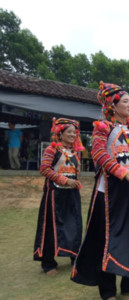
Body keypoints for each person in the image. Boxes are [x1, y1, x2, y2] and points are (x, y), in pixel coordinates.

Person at [71, 82, 129, 300]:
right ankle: (107, 292)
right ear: (113, 105)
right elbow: (99, 155)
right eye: (126, 102)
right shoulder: (103, 128)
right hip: (108, 195)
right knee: (106, 241)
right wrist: (124, 173)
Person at [33, 118, 84, 276]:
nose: (72, 135)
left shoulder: (75, 153)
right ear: (60, 133)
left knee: (75, 226)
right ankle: (48, 263)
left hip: (72, 194)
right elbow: (44, 169)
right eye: (68, 132)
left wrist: (73, 182)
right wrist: (65, 180)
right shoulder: (52, 149)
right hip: (55, 194)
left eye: (74, 132)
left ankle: (74, 257)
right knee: (52, 228)